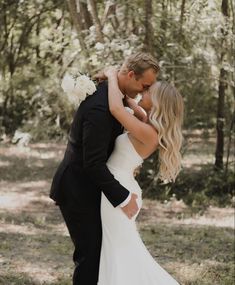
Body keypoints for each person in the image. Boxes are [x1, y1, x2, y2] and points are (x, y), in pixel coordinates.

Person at [49, 53, 159, 285]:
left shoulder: (115, 97)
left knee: (100, 256)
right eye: (144, 85)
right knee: (90, 258)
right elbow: (93, 163)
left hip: (93, 189)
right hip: (78, 189)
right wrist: (122, 198)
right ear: (130, 75)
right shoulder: (101, 107)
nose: (143, 92)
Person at [97, 67, 183, 284]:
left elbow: (117, 108)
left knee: (119, 251)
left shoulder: (148, 133)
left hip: (118, 192)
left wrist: (110, 74)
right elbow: (126, 101)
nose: (142, 92)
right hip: (119, 185)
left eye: (148, 92)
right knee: (119, 250)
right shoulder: (145, 120)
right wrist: (118, 81)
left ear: (156, 102)